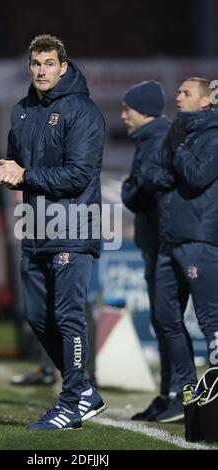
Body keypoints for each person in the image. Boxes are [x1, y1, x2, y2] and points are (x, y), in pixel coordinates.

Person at [0, 34, 106, 430]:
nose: (42, 70)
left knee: (68, 315)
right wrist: (9, 171)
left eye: (48, 63)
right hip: (35, 229)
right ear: (30, 67)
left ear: (63, 66)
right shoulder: (21, 110)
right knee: (38, 318)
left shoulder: (83, 111)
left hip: (72, 226)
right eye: (35, 63)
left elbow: (78, 175)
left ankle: (73, 401)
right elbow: (18, 163)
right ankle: (85, 391)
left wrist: (25, 175)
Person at [143, 77, 218, 422]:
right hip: (168, 239)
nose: (178, 96)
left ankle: (215, 394)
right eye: (179, 92)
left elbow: (199, 175)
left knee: (211, 322)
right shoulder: (176, 134)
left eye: (187, 93)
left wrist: (177, 150)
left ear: (205, 101)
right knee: (165, 318)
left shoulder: (212, 135)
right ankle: (188, 394)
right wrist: (167, 164)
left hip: (198, 239)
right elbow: (154, 176)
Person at [121, 81, 180, 421]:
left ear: (144, 110)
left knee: (168, 321)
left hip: (163, 241)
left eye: (129, 108)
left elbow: (139, 191)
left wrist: (133, 190)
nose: (124, 114)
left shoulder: (157, 140)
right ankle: (166, 392)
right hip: (155, 240)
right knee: (163, 321)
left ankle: (177, 393)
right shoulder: (148, 139)